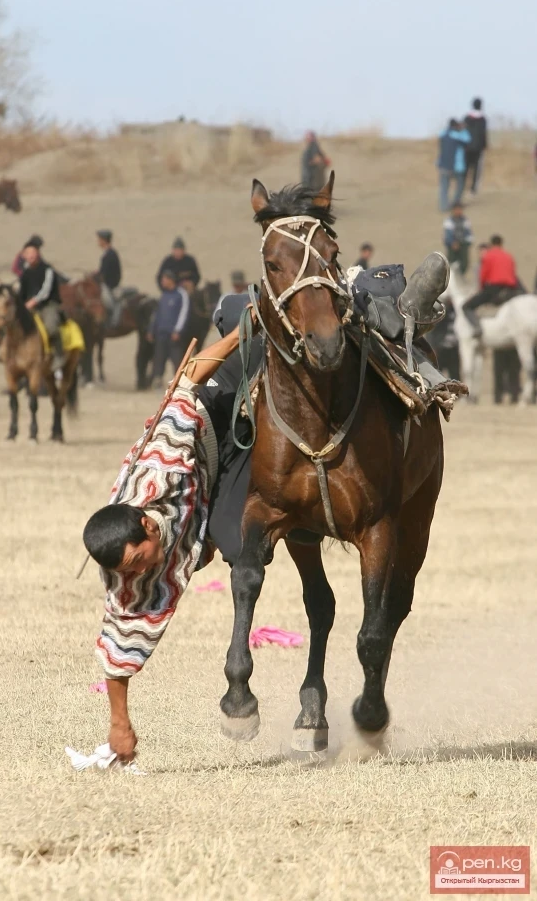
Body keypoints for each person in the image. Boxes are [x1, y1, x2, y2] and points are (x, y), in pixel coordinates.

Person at [80, 255, 451, 762]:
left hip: (213, 430)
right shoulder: (125, 560)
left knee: (236, 311)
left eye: (140, 559)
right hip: (215, 483)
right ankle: (247, 677)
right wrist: (118, 724)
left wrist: (244, 332)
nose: (142, 570)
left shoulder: (163, 460)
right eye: (135, 568)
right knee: (240, 543)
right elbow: (120, 633)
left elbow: (189, 379)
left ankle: (388, 306)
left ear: (147, 523)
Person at [18, 235, 65, 376]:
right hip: (29, 307)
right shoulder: (25, 273)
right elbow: (22, 291)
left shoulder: (47, 270)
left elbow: (46, 291)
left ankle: (59, 356)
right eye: (28, 254)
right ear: (24, 256)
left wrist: (33, 302)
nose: (31, 256)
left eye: (33, 253)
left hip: (47, 305)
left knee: (51, 327)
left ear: (38, 254)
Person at [463, 235, 520, 335]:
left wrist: (481, 289)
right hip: (511, 289)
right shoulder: (509, 256)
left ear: (491, 244)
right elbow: (513, 274)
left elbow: (483, 275)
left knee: (466, 307)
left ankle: (477, 328)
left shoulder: (489, 255)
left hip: (494, 289)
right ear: (501, 244)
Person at [148, 271, 190, 387]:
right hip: (161, 333)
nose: (162, 282)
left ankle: (180, 384)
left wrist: (177, 330)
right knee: (159, 358)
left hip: (174, 335)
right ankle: (158, 381)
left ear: (170, 280)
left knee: (177, 360)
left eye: (164, 279)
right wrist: (152, 330)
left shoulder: (181, 294)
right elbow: (157, 314)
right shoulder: (164, 295)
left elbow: (184, 313)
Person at [437, 119, 471, 211]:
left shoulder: (442, 134)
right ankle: (456, 203)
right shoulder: (458, 136)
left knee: (444, 187)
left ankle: (444, 206)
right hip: (457, 167)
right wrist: (463, 129)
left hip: (443, 165)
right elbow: (467, 142)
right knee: (460, 185)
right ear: (456, 126)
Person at [96, 229, 122, 327]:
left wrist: (100, 278)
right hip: (106, 283)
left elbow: (107, 273)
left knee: (106, 301)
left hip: (109, 285)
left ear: (103, 240)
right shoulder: (107, 253)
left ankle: (111, 321)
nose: (98, 242)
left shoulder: (110, 254)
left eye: (99, 240)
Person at [464, 98, 488, 195]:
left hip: (467, 146)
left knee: (466, 167)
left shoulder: (467, 118)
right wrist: (485, 145)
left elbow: (463, 132)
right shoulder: (483, 119)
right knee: (476, 168)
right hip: (478, 147)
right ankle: (473, 188)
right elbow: (483, 134)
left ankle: (463, 185)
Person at [442, 203, 473, 274]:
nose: (458, 211)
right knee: (451, 262)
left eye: (460, 209)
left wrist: (467, 242)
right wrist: (452, 242)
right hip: (452, 245)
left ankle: (461, 276)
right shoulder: (449, 221)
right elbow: (448, 234)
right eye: (456, 209)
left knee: (464, 263)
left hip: (463, 244)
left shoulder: (465, 220)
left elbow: (468, 233)